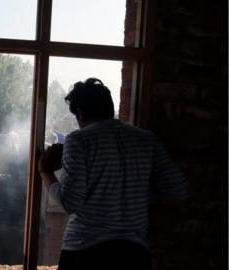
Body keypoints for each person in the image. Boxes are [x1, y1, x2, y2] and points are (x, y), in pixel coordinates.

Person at [38, 78, 187, 270]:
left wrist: (45, 171)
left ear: (80, 113)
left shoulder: (79, 140)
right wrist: (137, 192)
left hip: (85, 251)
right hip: (133, 254)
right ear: (109, 107)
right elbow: (179, 190)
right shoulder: (146, 139)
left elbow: (70, 202)